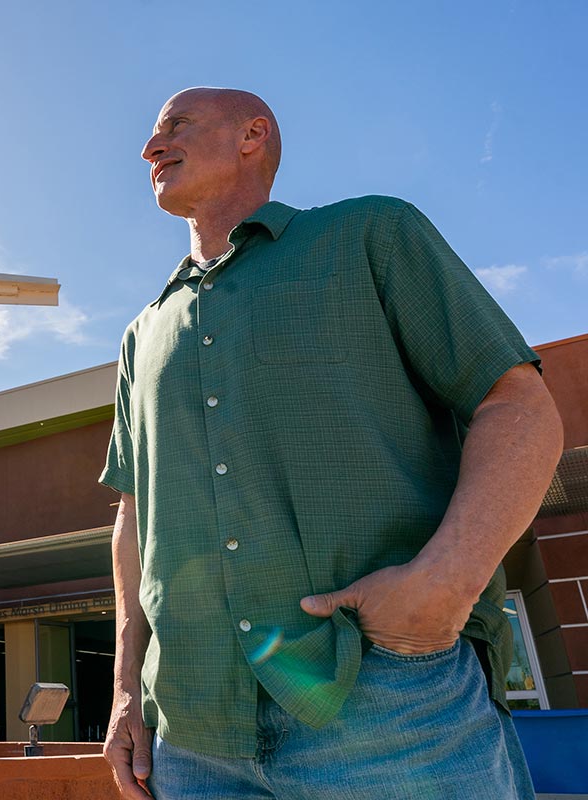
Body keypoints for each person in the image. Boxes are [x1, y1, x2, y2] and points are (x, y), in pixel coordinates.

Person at [99, 87, 564, 800]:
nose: (150, 147)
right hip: (189, 740)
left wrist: (444, 585)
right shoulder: (141, 335)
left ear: (252, 135)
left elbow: (518, 406)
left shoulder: (372, 235)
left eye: (177, 126)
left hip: (391, 700)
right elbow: (134, 516)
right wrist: (126, 689)